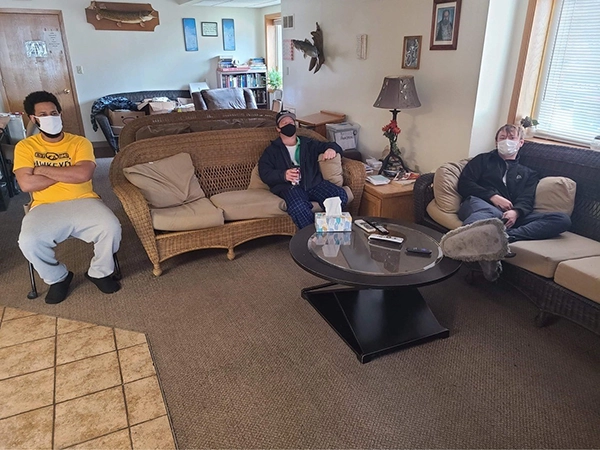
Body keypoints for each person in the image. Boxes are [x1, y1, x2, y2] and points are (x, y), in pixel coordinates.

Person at [13, 91, 122, 304]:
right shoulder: (26, 147)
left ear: (60, 113)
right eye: (42, 114)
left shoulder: (80, 143)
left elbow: (83, 175)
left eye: (53, 113)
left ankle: (99, 272)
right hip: (44, 205)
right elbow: (26, 184)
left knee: (112, 228)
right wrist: (68, 173)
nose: (50, 118)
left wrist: (42, 169)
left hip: (85, 200)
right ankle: (58, 278)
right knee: (28, 241)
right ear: (32, 119)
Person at [441, 123, 571, 281]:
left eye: (511, 138)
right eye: (502, 138)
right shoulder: (482, 160)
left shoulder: (528, 174)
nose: (506, 141)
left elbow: (527, 198)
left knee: (561, 219)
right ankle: (486, 237)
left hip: (511, 216)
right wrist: (492, 196)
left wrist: (516, 212)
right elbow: (465, 183)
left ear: (520, 143)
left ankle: (501, 238)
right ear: (496, 142)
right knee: (492, 213)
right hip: (479, 204)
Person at [258, 110, 348, 229]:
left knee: (340, 195)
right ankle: (312, 236)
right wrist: (283, 175)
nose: (289, 125)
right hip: (290, 187)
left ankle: (328, 229)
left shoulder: (308, 143)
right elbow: (264, 172)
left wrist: (331, 149)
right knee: (298, 207)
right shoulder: (272, 150)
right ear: (278, 129)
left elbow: (332, 145)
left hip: (314, 183)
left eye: (291, 122)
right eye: (284, 123)